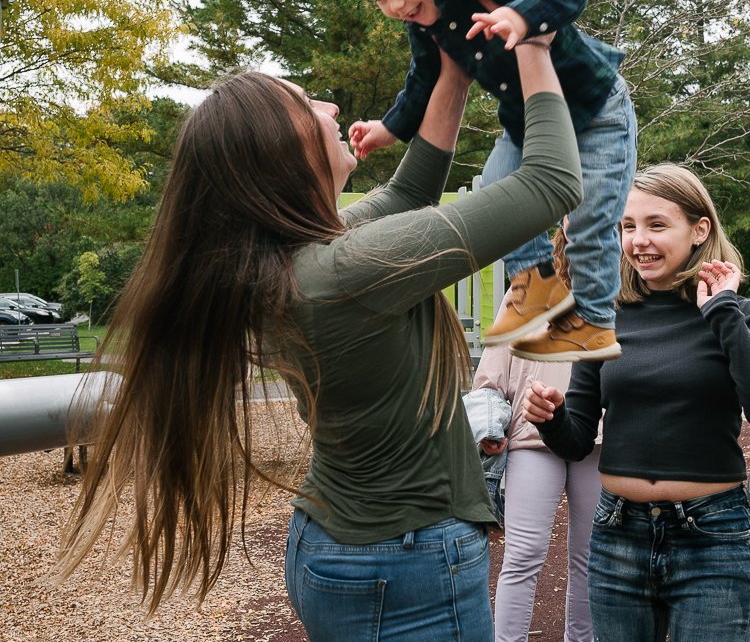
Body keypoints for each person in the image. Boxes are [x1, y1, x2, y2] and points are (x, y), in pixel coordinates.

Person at [55, 36, 583, 642]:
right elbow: (551, 182)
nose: (331, 109)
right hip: (404, 563)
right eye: (308, 105)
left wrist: (453, 77)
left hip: (344, 542)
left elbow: (409, 194)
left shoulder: (294, 258)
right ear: (282, 155)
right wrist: (536, 44)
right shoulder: (345, 271)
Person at [333, 0, 637, 362]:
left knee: (589, 215)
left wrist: (521, 16)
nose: (395, 8)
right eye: (378, 0)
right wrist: (388, 128)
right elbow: (423, 79)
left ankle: (595, 321)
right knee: (497, 190)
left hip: (595, 108)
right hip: (526, 126)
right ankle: (537, 283)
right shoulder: (424, 22)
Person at [523, 164, 750, 642]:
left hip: (712, 536)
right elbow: (577, 440)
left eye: (656, 224)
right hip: (617, 533)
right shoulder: (605, 315)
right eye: (628, 226)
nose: (638, 241)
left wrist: (724, 313)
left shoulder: (738, 313)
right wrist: (552, 417)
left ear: (699, 229)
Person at [471, 223, 603, 642]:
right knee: (523, 554)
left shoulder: (625, 287)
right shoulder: (530, 285)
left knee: (590, 557)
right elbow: (491, 374)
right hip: (533, 436)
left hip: (599, 438)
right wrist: (489, 427)